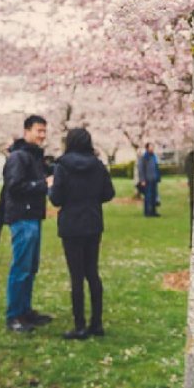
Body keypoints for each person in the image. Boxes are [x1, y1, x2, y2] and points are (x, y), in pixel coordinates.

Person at [49, 128, 115, 340]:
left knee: (76, 276)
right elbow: (109, 193)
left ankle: (80, 326)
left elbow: (56, 199)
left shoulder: (62, 166)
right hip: (93, 222)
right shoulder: (97, 165)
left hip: (71, 224)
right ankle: (97, 323)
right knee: (92, 273)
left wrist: (53, 189)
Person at [3, 115, 54, 333]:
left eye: (44, 131)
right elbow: (14, 187)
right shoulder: (18, 157)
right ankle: (14, 315)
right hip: (22, 218)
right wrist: (43, 184)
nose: (42, 135)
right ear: (26, 131)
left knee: (31, 267)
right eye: (38, 131)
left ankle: (25, 311)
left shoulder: (34, 157)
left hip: (33, 216)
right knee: (21, 267)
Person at [137, 142, 161, 217]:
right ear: (147, 148)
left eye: (153, 147)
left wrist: (158, 177)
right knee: (148, 197)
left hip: (154, 179)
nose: (152, 148)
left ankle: (153, 212)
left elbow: (156, 167)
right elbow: (141, 169)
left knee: (154, 196)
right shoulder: (144, 157)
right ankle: (147, 212)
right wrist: (142, 180)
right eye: (151, 147)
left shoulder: (154, 156)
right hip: (147, 180)